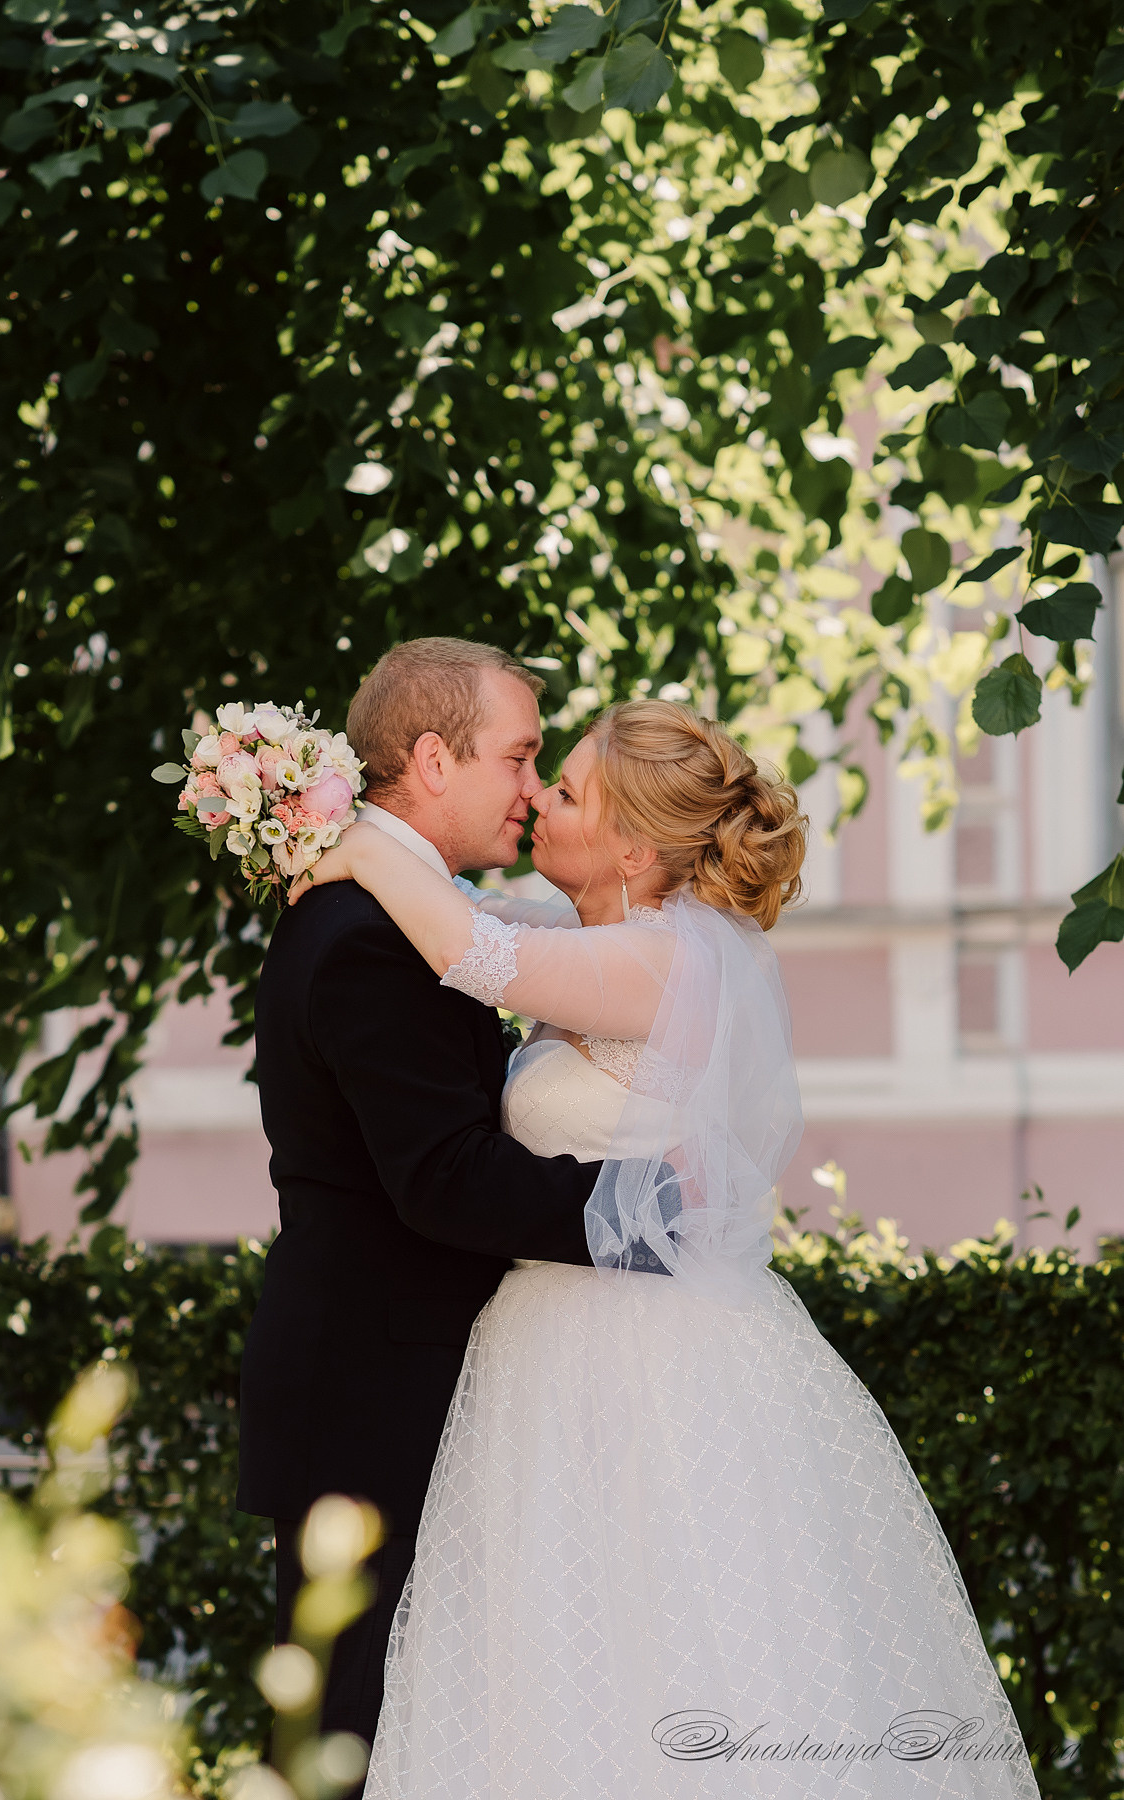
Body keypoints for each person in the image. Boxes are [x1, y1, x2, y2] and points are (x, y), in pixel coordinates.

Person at [289, 698, 1041, 1800]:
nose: (541, 799)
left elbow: (470, 947)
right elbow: (477, 912)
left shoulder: (666, 961)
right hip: (544, 1354)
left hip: (645, 1363)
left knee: (670, 1632)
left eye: (567, 791)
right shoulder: (609, 942)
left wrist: (360, 845)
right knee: (549, 1660)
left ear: (635, 848)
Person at [236, 639, 604, 1765]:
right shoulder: (369, 938)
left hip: (387, 1385)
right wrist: (644, 1209)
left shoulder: (399, 914)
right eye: (519, 756)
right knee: (351, 1741)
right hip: (372, 1399)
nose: (532, 788)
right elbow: (445, 1178)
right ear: (435, 761)